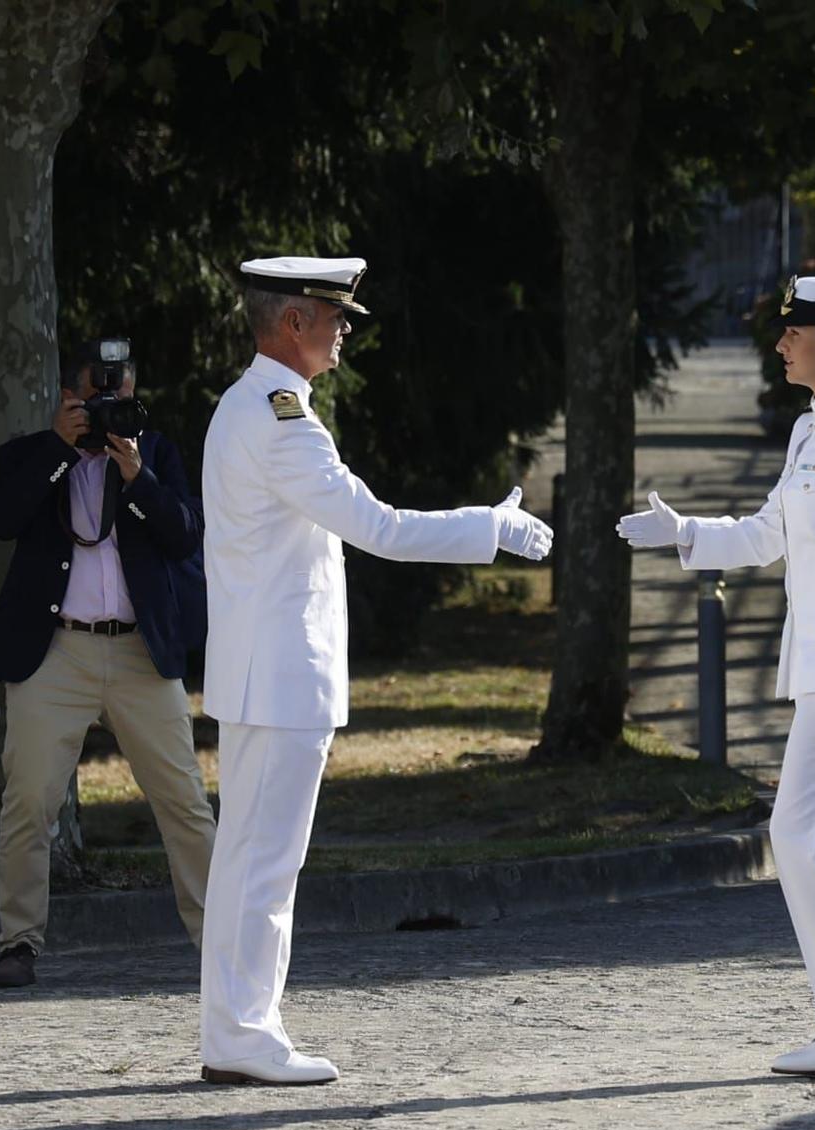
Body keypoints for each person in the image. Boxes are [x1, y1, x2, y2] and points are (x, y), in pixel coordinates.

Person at [197, 255, 553, 1086]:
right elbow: (378, 527)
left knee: (251, 859)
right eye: (333, 314)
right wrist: (486, 527)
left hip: (265, 674)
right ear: (292, 324)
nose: (345, 328)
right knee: (265, 864)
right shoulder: (280, 420)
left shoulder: (253, 407)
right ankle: (244, 1032)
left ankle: (235, 1028)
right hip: (280, 677)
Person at [618, 275, 815, 1080]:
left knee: (800, 836)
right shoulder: (812, 432)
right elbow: (767, 535)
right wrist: (684, 532)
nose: (781, 343)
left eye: (797, 331)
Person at [0, 342, 216, 989]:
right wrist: (59, 447)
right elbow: (1, 519)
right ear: (68, 398)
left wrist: (137, 477)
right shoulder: (29, 454)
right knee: (28, 798)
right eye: (99, 399)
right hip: (56, 652)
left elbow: (185, 534)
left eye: (124, 399)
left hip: (140, 652)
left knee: (185, 799)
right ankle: (18, 941)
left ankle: (222, 941)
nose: (113, 410)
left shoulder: (154, 454)